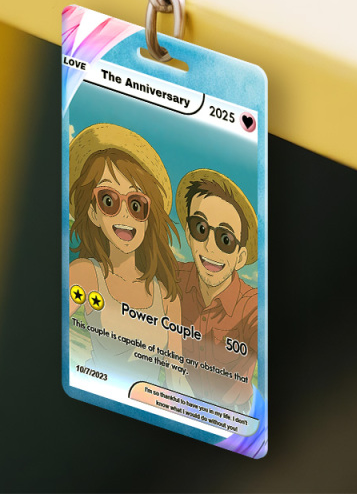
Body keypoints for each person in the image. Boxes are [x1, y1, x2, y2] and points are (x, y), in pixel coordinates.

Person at [68, 124, 182, 386]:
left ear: (148, 218)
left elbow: (176, 376)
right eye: (109, 200)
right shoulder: (85, 274)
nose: (124, 214)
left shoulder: (167, 296)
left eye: (136, 204)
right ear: (93, 213)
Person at [175, 169, 258, 411]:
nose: (210, 247)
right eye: (200, 228)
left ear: (240, 257)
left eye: (225, 239)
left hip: (232, 417)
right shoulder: (174, 277)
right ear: (189, 235)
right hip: (178, 405)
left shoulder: (251, 305)